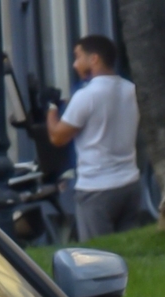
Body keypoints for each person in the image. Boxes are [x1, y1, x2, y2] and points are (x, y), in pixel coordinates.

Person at [46, 35, 144, 241]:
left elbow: (57, 137)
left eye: (78, 57)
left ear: (94, 59)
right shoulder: (131, 90)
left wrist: (51, 108)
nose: (75, 64)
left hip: (96, 189)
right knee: (131, 252)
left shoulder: (87, 95)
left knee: (99, 256)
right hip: (130, 184)